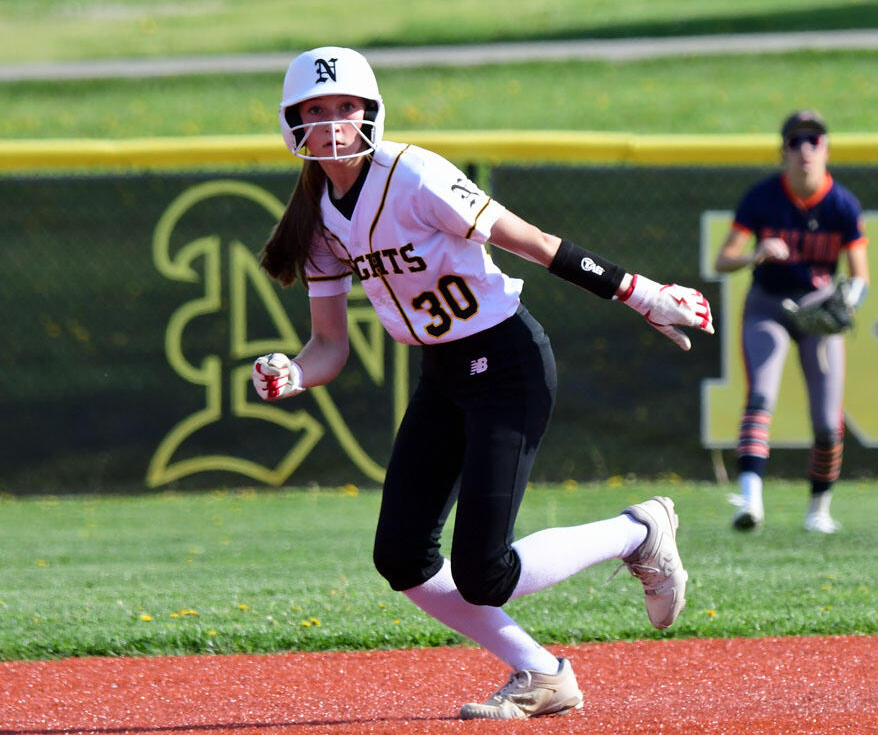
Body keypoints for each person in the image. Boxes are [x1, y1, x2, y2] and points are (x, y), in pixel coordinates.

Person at [251, 47, 713, 719]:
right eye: (315, 111)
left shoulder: (412, 175)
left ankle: (637, 532)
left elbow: (534, 242)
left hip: (506, 363)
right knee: (403, 557)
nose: (332, 124)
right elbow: (328, 346)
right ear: (293, 121)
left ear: (370, 112)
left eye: (345, 107)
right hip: (443, 374)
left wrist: (638, 291)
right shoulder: (318, 215)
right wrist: (293, 372)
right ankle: (542, 674)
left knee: (483, 572)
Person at [713, 110, 869, 534]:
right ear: (782, 150)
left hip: (817, 311)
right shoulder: (763, 197)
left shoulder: (841, 203)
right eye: (797, 140)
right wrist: (756, 253)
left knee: (826, 419)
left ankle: (819, 510)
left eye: (814, 141)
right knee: (761, 396)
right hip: (769, 305)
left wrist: (848, 302)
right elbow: (723, 259)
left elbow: (860, 277)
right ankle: (750, 501)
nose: (805, 150)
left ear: (827, 150)